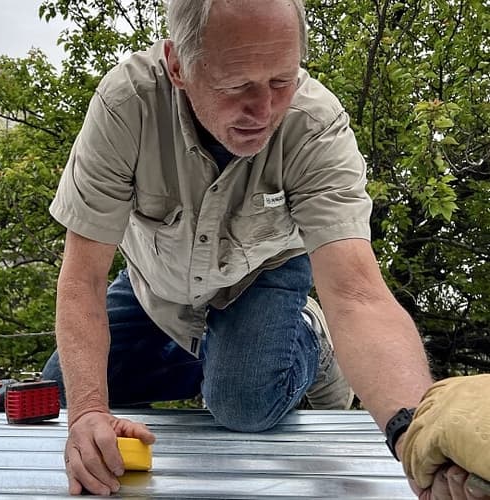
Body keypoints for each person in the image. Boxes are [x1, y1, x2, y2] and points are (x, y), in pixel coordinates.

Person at [40, 0, 489, 498]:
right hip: (157, 283)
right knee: (63, 393)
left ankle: (311, 341)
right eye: (236, 85)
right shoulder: (126, 105)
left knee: (244, 405)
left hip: (263, 272)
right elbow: (83, 278)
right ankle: (228, 361)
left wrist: (417, 438)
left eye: (282, 81)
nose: (264, 110)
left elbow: (357, 294)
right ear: (177, 65)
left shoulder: (315, 125)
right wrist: (89, 413)